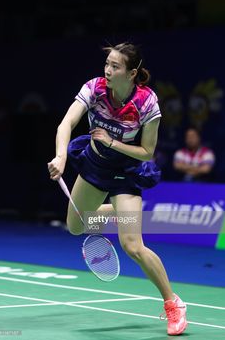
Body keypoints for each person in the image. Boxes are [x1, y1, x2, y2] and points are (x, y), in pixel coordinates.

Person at [48, 42, 187, 335]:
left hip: (125, 172)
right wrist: (61, 156)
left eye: (115, 66)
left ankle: (173, 303)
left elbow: (148, 151)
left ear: (132, 72)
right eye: (107, 64)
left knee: (132, 245)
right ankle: (121, 212)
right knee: (76, 226)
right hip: (95, 166)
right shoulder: (95, 89)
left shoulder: (147, 103)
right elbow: (66, 123)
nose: (108, 71)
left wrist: (112, 142)